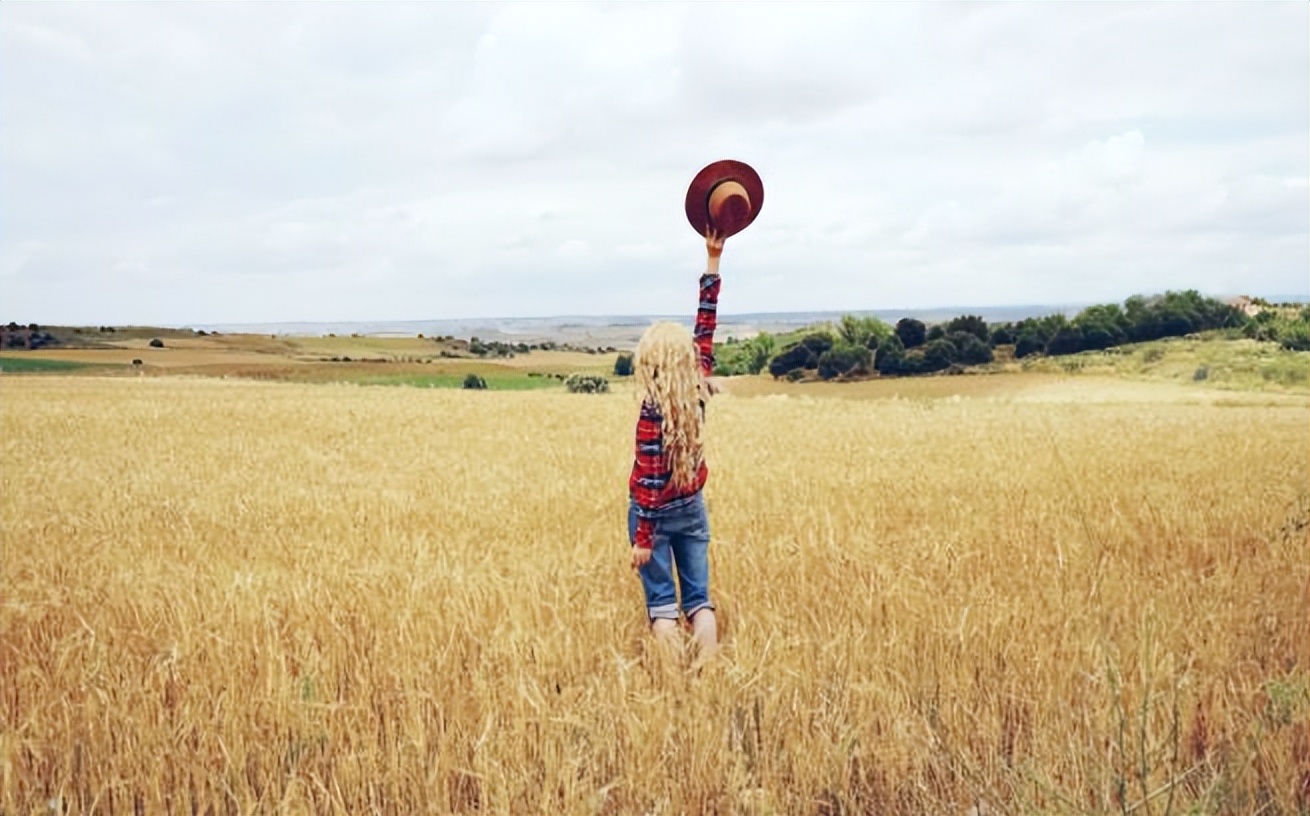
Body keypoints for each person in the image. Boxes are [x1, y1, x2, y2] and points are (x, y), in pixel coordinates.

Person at [627, 228, 723, 658]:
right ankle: (708, 677)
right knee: (699, 602)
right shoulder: (696, 393)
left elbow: (648, 484)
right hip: (692, 506)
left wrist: (643, 539)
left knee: (663, 608)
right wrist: (712, 262)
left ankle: (673, 689)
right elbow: (705, 327)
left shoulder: (651, 412)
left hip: (658, 516)